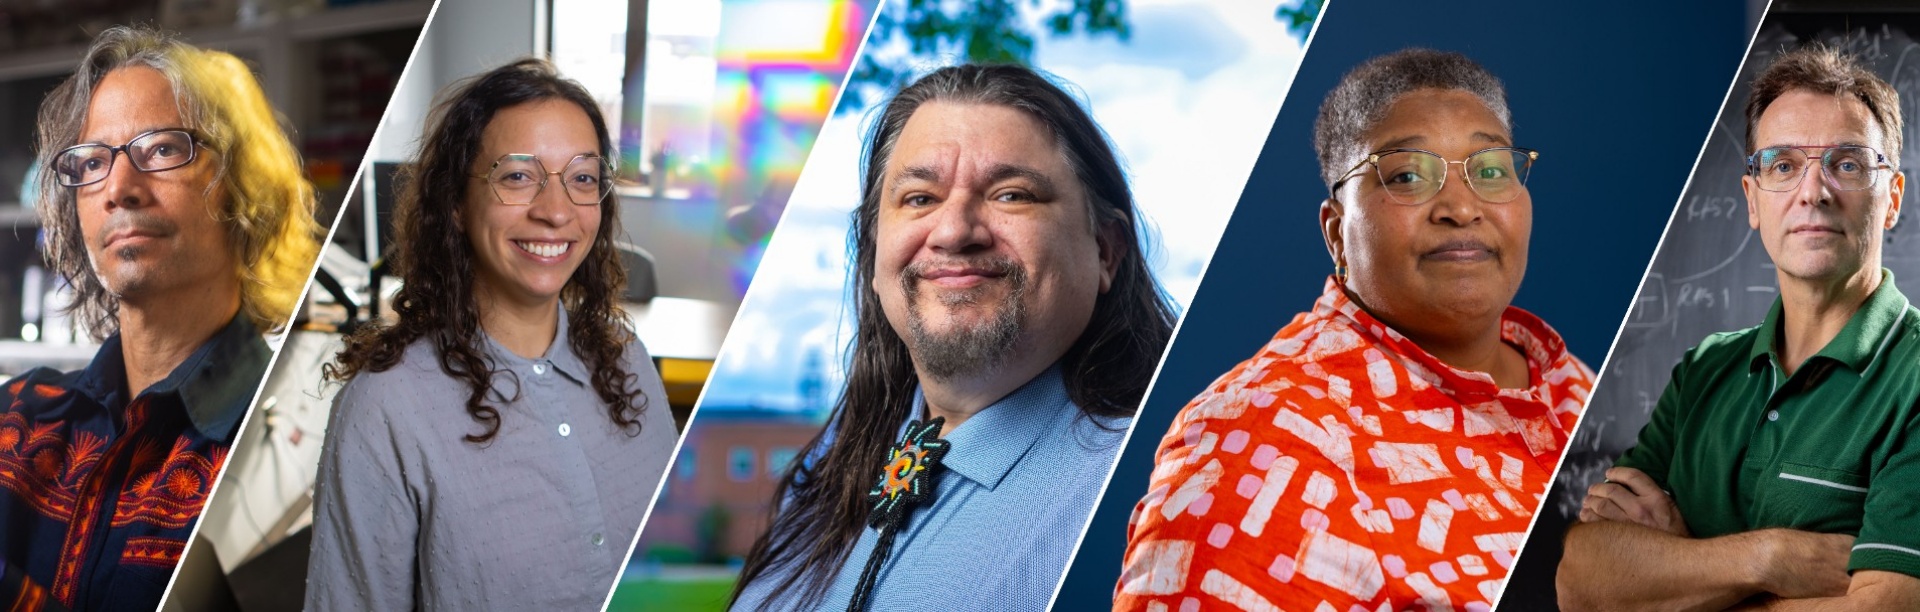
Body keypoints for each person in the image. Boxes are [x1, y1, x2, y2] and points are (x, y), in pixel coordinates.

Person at [1115, 49, 1592, 611]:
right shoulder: (1263, 437)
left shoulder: (1571, 382)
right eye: (1408, 176)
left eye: (1490, 170)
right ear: (1337, 233)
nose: (1462, 207)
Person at [729, 63, 1176, 612]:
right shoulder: (830, 481)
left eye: (1012, 195)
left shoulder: (1158, 491)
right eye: (919, 198)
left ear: (1106, 251)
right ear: (873, 254)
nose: (953, 231)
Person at [1558, 45, 1920, 611]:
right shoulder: (1703, 370)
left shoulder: (1912, 379)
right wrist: (1770, 558)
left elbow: (1886, 607)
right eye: (1782, 165)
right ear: (1752, 201)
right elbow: (1581, 581)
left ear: (1892, 198)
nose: (1813, 191)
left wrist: (1681, 570)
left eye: (1847, 164)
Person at [304, 59, 675, 610]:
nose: (556, 212)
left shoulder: (626, 356)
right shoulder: (385, 409)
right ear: (455, 203)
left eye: (582, 178)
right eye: (518, 176)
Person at [0, 25, 320, 611]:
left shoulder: (298, 453)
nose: (119, 188)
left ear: (240, 186)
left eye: (163, 149)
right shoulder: (16, 415)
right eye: (92, 161)